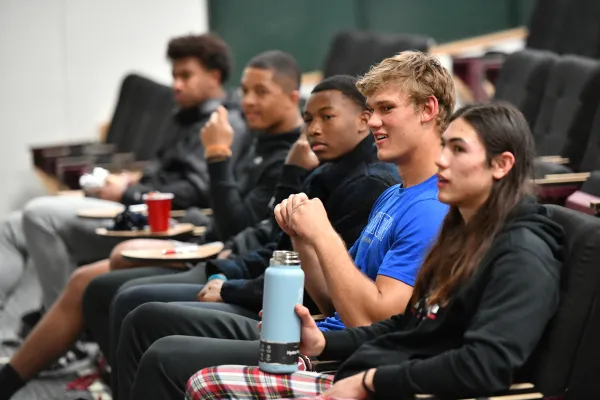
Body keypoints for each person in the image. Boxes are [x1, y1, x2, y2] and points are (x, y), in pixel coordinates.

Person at [117, 50, 456, 400]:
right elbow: (331, 300)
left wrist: (322, 233)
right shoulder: (394, 196)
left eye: (386, 109)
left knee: (164, 355)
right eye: (372, 111)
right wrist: (304, 240)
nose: (373, 122)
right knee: (146, 319)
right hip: (322, 333)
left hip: (341, 359)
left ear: (428, 110)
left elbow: (370, 323)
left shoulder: (430, 208)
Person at [186, 102, 565, 400]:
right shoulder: (463, 234)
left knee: (210, 384)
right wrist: (322, 342)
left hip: (406, 391)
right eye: (444, 145)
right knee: (205, 378)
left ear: (501, 165)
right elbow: (409, 324)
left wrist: (372, 381)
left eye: (458, 149)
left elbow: (484, 366)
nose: (441, 160)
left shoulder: (522, 255)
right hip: (378, 376)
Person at [0, 49, 302, 399]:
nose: (248, 101)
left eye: (261, 92)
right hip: (211, 243)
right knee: (88, 270)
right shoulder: (258, 138)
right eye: (246, 91)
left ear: (292, 97)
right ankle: (93, 376)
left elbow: (236, 224)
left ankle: (90, 377)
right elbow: (225, 216)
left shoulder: (286, 153)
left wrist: (217, 156)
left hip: (227, 257)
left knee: (100, 278)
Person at [0, 33, 249, 316]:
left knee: (39, 215)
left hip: (159, 220)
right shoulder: (186, 116)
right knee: (12, 226)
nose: (176, 85)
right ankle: (25, 333)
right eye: (174, 75)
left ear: (214, 76)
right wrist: (130, 181)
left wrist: (126, 192)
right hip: (137, 204)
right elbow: (166, 172)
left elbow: (195, 190)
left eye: (186, 76)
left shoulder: (224, 124)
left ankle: (60, 325)